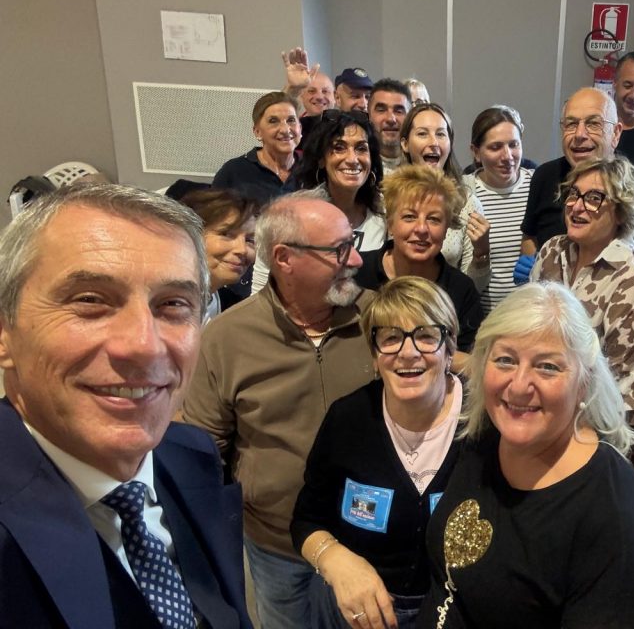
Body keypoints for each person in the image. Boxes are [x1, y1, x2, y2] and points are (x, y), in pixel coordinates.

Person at [0, 184, 251, 628]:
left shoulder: (191, 455)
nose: (144, 345)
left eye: (173, 305)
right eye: (90, 300)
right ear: (5, 333)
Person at [418, 282, 634, 629]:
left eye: (547, 367)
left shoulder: (619, 522)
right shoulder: (484, 439)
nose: (518, 385)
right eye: (505, 360)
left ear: (584, 382)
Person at [182, 191, 375, 629]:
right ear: (285, 258)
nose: (356, 260)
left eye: (353, 242)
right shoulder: (226, 338)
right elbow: (205, 449)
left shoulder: (378, 319)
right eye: (338, 249)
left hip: (366, 542)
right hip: (276, 546)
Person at [293, 277, 464, 629]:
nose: (408, 352)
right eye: (390, 338)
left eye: (426, 336)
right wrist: (335, 559)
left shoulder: (483, 424)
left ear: (450, 348)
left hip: (453, 613)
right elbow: (306, 519)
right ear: (374, 355)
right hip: (353, 613)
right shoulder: (349, 418)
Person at [520, 87, 634, 355]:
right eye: (571, 124)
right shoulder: (544, 177)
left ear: (616, 133)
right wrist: (534, 266)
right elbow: (530, 237)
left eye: (593, 123)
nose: (580, 134)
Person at [531, 157, 634, 418]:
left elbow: (620, 391)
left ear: (621, 212)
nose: (576, 207)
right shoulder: (552, 251)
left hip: (597, 413)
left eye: (594, 198)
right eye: (573, 194)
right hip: (542, 392)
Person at [355, 164, 483, 361]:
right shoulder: (356, 273)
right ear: (390, 224)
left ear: (446, 229)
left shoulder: (461, 290)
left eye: (434, 219)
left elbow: (472, 364)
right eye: (409, 217)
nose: (422, 229)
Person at [399, 102, 491, 291]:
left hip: (448, 305)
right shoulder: (388, 198)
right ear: (405, 144)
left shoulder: (466, 202)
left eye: (441, 134)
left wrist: (481, 253)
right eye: (422, 134)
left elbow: (474, 287)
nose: (433, 142)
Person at [465, 105, 534, 312]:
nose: (508, 156)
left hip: (531, 319)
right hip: (483, 321)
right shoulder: (463, 193)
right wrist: (480, 254)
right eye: (495, 147)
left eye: (514, 145)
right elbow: (464, 285)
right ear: (476, 152)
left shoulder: (539, 185)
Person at [293, 110, 388, 252]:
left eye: (361, 148)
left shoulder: (385, 213)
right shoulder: (297, 216)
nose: (352, 159)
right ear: (321, 159)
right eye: (339, 148)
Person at [179, 187, 259, 321]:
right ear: (189, 235)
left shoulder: (235, 309)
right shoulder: (152, 303)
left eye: (250, 240)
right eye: (226, 234)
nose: (242, 249)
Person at [213, 91, 301, 206]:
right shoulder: (233, 172)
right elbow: (214, 215)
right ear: (257, 132)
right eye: (273, 121)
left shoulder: (313, 171)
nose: (285, 129)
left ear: (300, 128)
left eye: (291, 120)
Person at [281, 47, 337, 143]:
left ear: (335, 96)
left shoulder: (346, 128)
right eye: (311, 91)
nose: (319, 97)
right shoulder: (294, 130)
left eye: (325, 91)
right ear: (301, 96)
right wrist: (293, 89)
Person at [369, 79, 413, 175]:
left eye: (399, 111)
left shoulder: (420, 164)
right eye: (381, 110)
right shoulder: (361, 166)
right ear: (369, 116)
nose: (391, 119)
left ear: (410, 117)